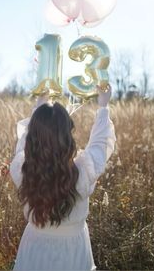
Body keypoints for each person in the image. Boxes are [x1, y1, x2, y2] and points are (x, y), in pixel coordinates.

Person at [10, 85, 116, 271]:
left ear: (33, 138)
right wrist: (103, 107)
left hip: (35, 247)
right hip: (73, 251)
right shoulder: (82, 173)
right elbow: (100, 144)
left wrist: (39, 108)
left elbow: (25, 143)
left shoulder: (23, 170)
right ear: (67, 137)